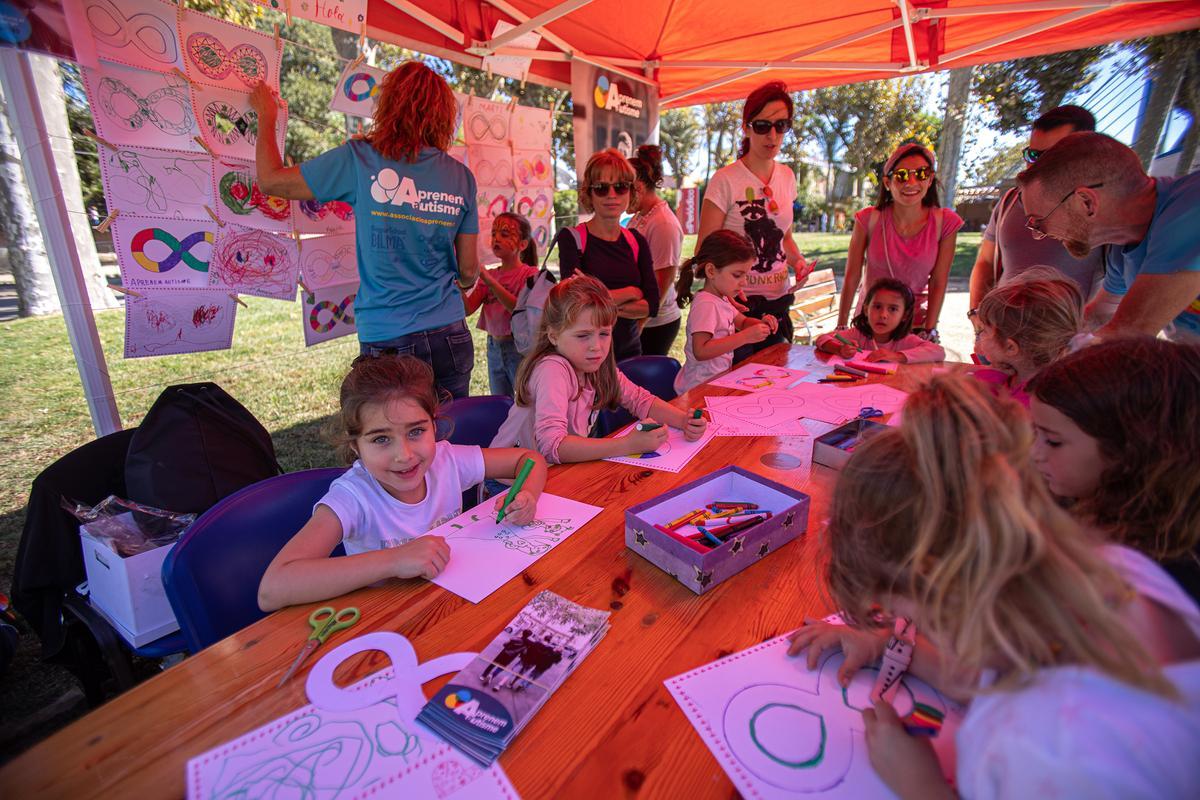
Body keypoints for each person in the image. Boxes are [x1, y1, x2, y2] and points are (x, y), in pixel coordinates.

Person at [788, 374, 1200, 799]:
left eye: (907, 616)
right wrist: (892, 648)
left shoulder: (1050, 755)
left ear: (944, 582)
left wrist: (921, 786)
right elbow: (1005, 671)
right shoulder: (1113, 572)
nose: (908, 625)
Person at [248, 63, 479, 399]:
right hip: (449, 332)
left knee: (393, 446)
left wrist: (266, 116)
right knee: (452, 440)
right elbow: (468, 269)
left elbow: (271, 180)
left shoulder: (361, 159)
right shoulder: (461, 176)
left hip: (388, 336)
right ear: (444, 116)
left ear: (388, 106)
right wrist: (464, 283)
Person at [257, 354, 547, 611]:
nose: (404, 455)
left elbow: (530, 460)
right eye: (381, 439)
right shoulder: (353, 497)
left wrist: (528, 495)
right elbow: (273, 588)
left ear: (433, 426)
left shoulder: (446, 461)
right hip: (384, 622)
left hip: (453, 606)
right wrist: (395, 560)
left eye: (416, 432)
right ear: (356, 445)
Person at [1028, 337, 1200, 601]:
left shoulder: (1146, 583)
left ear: (1129, 450)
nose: (1034, 453)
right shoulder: (1097, 504)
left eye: (1052, 441)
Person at [491, 275, 706, 463]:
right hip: (509, 485)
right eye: (583, 335)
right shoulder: (552, 369)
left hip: (552, 475)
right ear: (554, 335)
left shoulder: (595, 364)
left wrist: (682, 420)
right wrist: (627, 445)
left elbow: (640, 400)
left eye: (604, 334)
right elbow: (553, 446)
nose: (596, 346)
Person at [1016, 131, 1200, 342]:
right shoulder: (1123, 248)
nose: (1039, 235)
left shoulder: (1192, 208)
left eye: (1039, 221)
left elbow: (1129, 329)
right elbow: (1101, 314)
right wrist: (1026, 340)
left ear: (1086, 202)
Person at [697, 81, 812, 361]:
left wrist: (798, 261)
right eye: (762, 125)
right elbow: (704, 250)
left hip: (779, 304)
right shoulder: (725, 180)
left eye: (781, 125)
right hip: (739, 309)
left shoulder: (787, 176)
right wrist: (724, 299)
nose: (772, 135)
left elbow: (785, 237)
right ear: (746, 127)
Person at [968, 105, 1103, 319]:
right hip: (1000, 339)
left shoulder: (1103, 210)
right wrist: (977, 313)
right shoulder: (1010, 201)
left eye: (1053, 156)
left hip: (1069, 346)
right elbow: (984, 262)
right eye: (1033, 155)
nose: (1038, 166)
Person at [837, 143, 963, 343]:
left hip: (915, 326)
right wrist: (841, 326)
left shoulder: (945, 222)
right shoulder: (868, 219)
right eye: (902, 175)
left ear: (930, 179)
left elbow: (938, 281)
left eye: (921, 174)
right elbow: (852, 274)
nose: (911, 182)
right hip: (871, 322)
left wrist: (930, 330)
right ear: (887, 182)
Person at [556, 149, 659, 361]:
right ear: (589, 194)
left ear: (630, 192)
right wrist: (632, 292)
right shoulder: (572, 239)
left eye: (620, 187)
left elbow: (652, 306)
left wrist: (598, 302)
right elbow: (576, 305)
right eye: (601, 188)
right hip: (586, 356)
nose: (612, 195)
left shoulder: (636, 241)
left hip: (629, 354)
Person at [673, 231, 776, 394]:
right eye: (737, 275)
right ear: (711, 271)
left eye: (745, 275)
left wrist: (761, 324)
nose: (743, 282)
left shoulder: (722, 299)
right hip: (697, 388)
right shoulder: (706, 305)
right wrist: (745, 337)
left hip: (715, 383)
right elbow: (701, 350)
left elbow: (742, 322)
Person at [971, 270, 1083, 407]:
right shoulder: (1015, 378)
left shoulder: (1026, 406)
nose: (979, 336)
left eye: (983, 331)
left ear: (1010, 347)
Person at [463, 212, 539, 396]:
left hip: (518, 349)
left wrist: (489, 281)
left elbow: (519, 309)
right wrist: (459, 285)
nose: (496, 238)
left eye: (505, 235)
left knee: (524, 400)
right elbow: (468, 309)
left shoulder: (530, 274)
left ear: (522, 244)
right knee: (499, 400)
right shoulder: (491, 275)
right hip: (494, 348)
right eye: (494, 233)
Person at [628, 144, 684, 356]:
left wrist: (642, 322)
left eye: (623, 188)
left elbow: (664, 279)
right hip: (639, 316)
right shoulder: (640, 216)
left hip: (656, 322)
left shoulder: (663, 223)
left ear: (638, 187)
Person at [815, 278, 944, 363]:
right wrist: (839, 349)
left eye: (892, 309)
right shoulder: (858, 334)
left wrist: (897, 356)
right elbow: (822, 339)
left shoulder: (906, 340)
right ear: (866, 309)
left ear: (904, 315)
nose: (883, 315)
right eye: (877, 307)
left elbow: (938, 352)